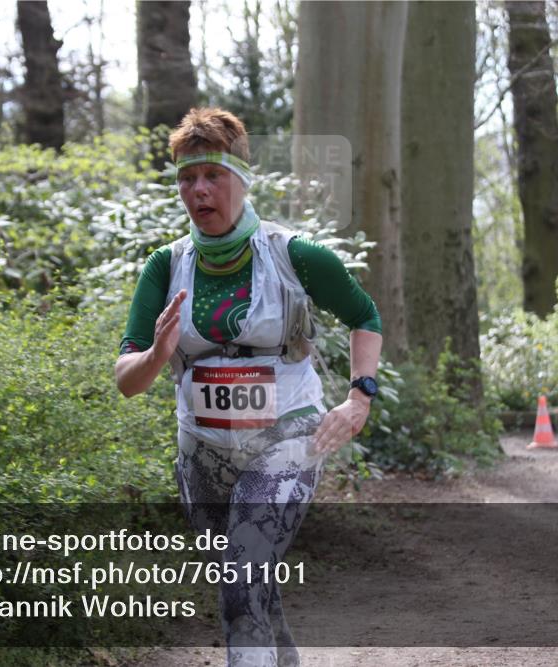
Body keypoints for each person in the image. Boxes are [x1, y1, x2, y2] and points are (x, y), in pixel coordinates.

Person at [114, 107, 384, 666]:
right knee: (245, 583)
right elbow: (126, 380)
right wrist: (159, 353)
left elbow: (365, 315)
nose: (199, 190)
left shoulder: (294, 255)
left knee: (242, 576)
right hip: (203, 451)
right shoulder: (165, 266)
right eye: (187, 178)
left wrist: (360, 397)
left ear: (242, 177)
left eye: (212, 175)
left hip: (287, 436)